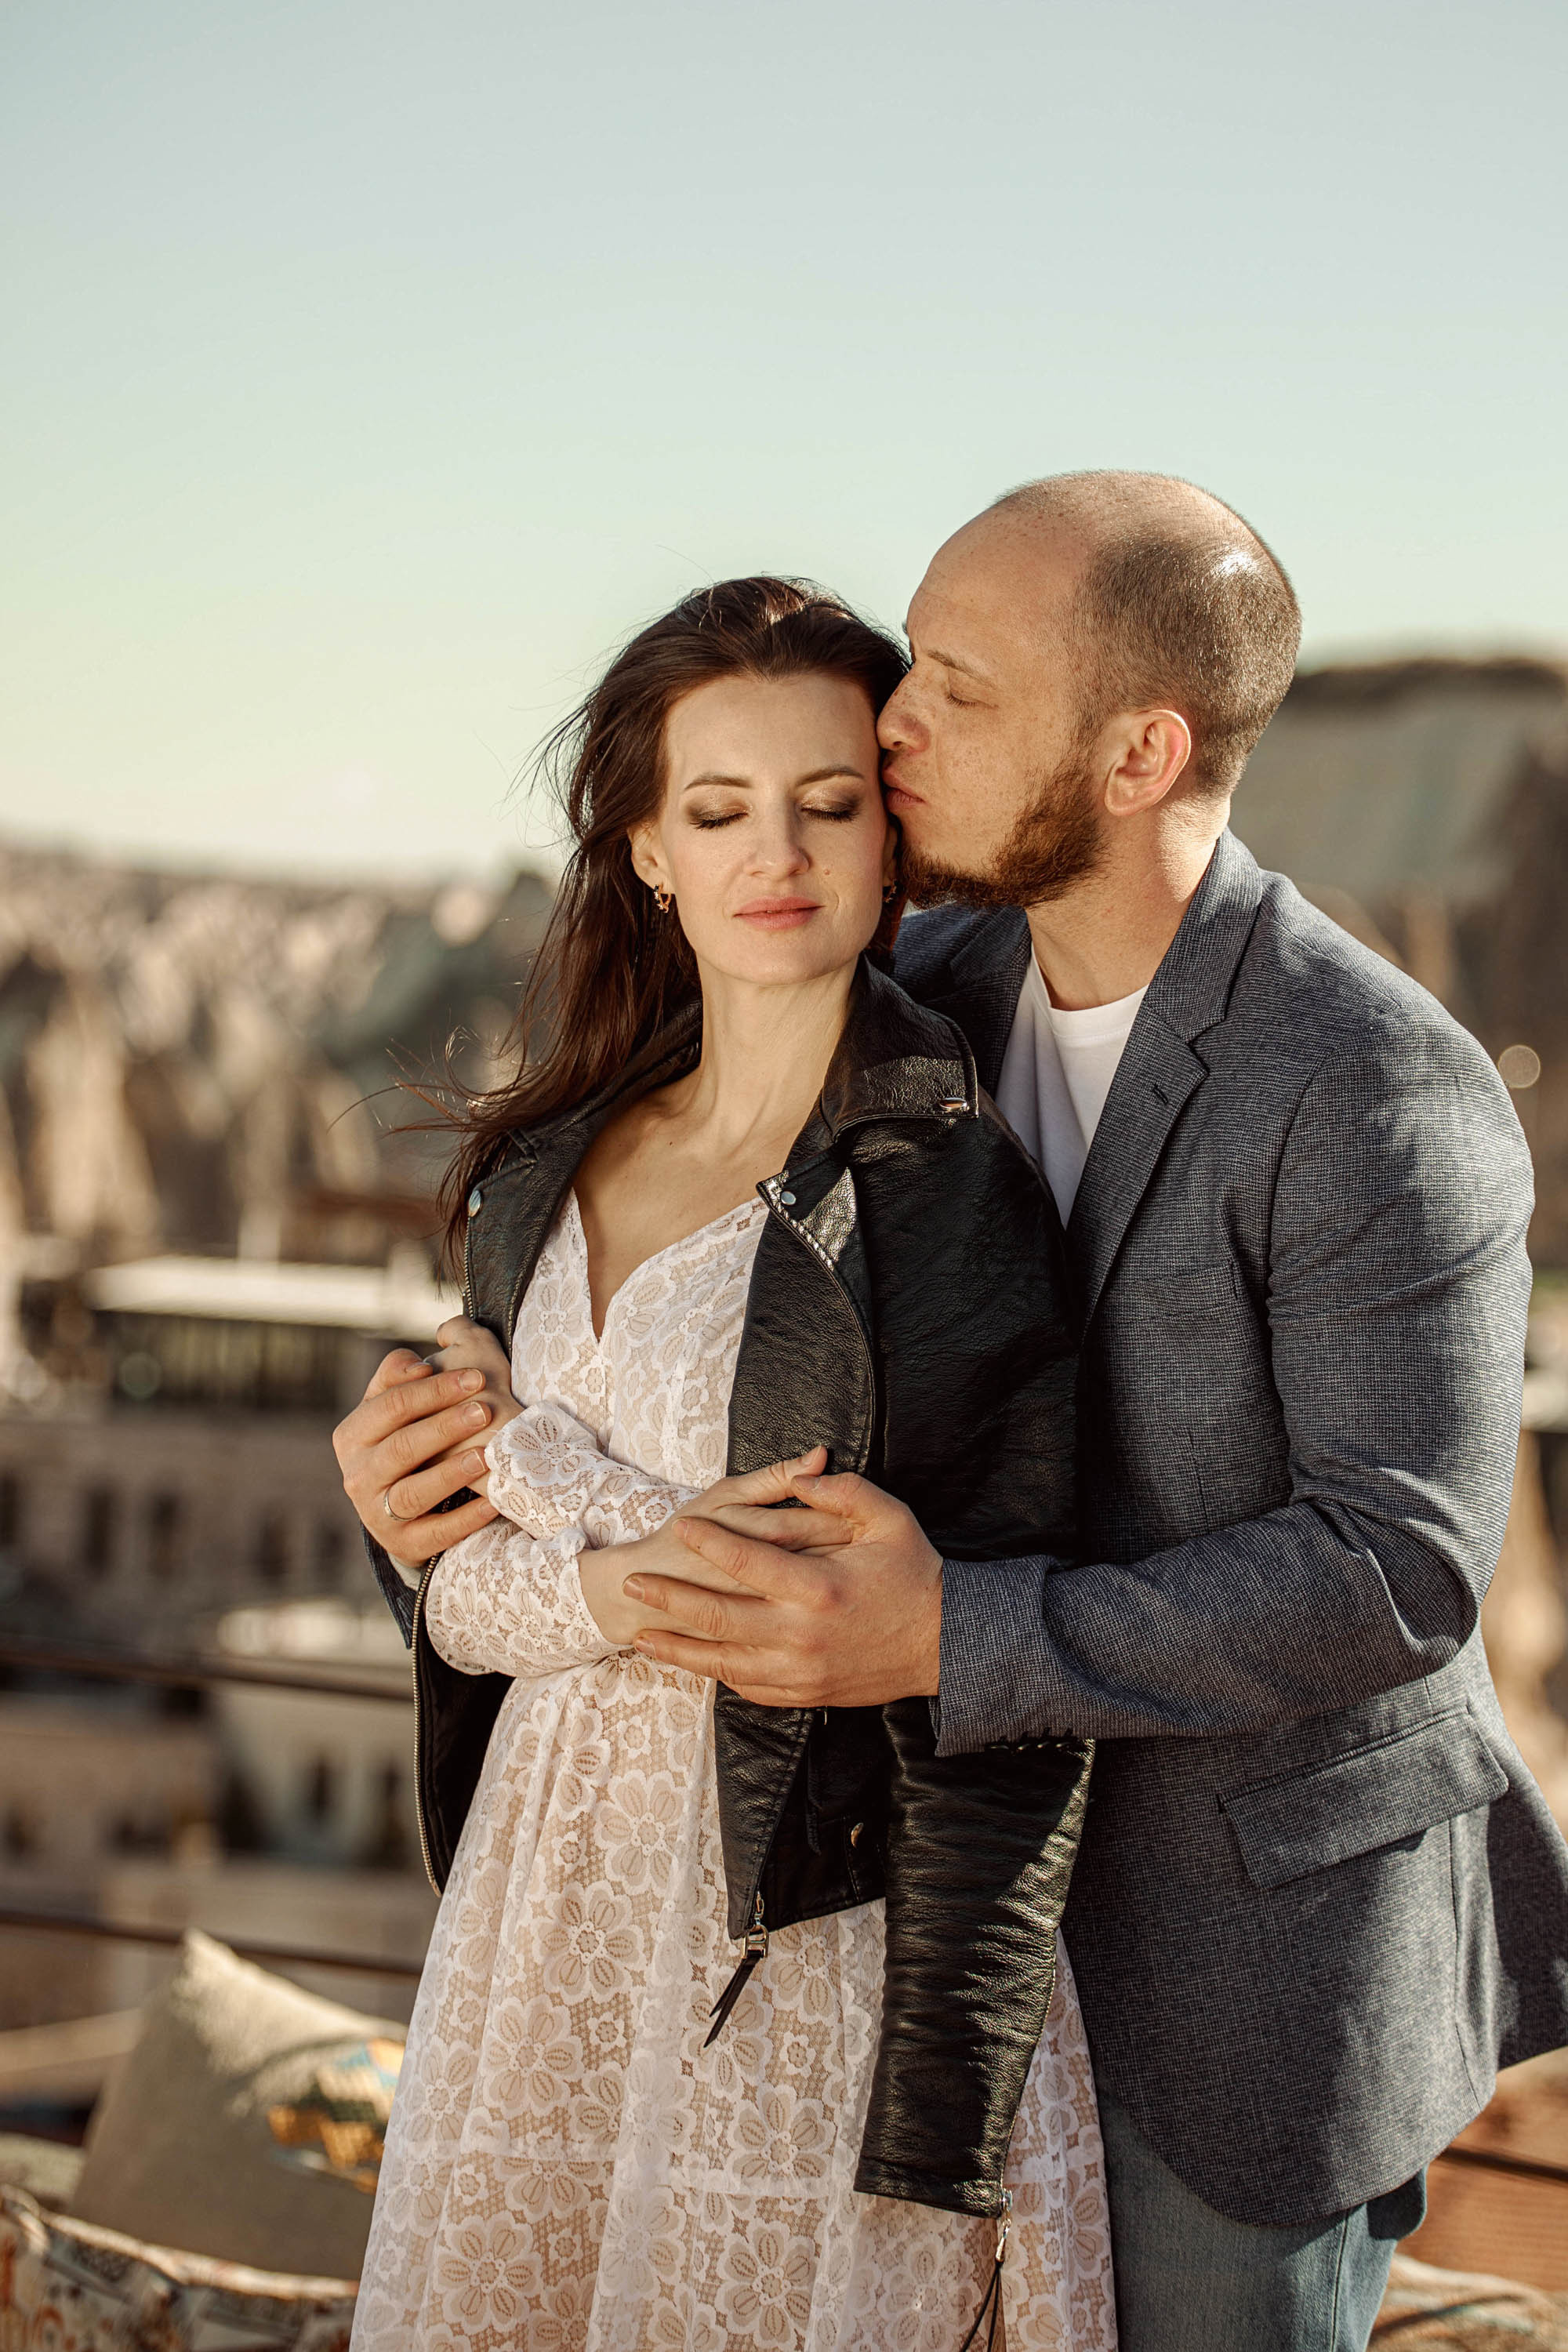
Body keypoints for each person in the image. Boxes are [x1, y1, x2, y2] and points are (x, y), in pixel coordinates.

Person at [619, 475, 1568, 2352]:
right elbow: (644, 1228)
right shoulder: (927, 986)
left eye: (955, 689)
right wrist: (457, 1446)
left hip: (1240, 1981)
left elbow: (1396, 1573)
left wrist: (947, 1634)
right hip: (941, 1945)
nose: (887, 721)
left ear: (1137, 753)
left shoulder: (1377, 1087)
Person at [334, 576, 1116, 2351]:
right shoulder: (548, 1160)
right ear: (646, 852)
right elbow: (462, 1587)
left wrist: (944, 2126)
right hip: (547, 1914)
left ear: (892, 844)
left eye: (830, 804)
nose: (779, 852)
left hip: (801, 1931)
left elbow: (993, 1683)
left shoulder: (941, 1193)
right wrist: (552, 1563)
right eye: (719, 808)